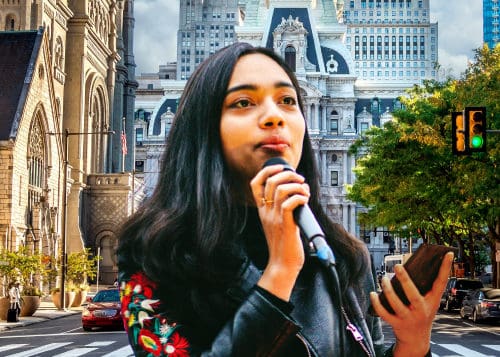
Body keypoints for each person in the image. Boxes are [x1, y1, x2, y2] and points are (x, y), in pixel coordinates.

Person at [117, 42, 453, 357]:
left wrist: (412, 341)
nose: (274, 116)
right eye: (244, 102)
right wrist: (280, 271)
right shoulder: (152, 252)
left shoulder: (343, 255)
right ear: (204, 128)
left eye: (288, 101)